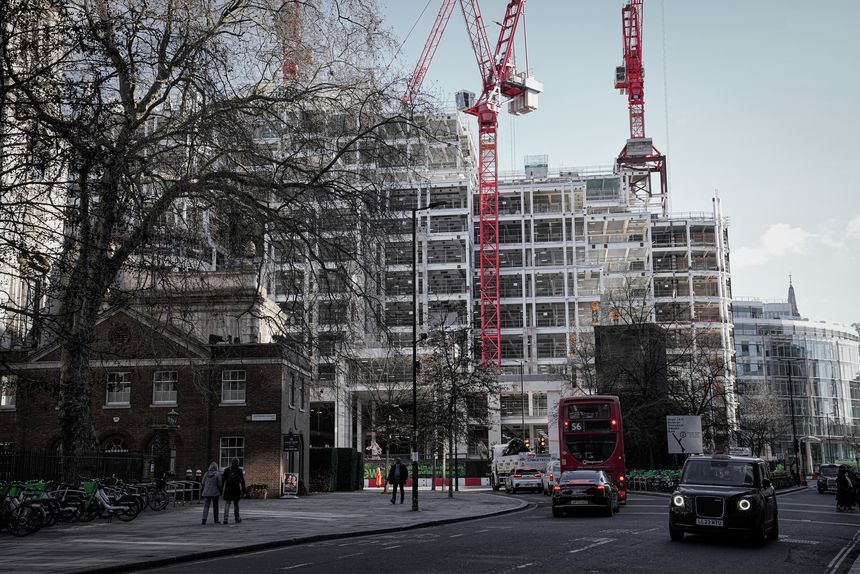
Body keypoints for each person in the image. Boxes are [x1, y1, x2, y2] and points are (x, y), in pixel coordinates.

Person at [222, 458, 247, 524]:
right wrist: (244, 491)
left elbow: (223, 481)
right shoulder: (239, 470)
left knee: (227, 503)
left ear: (231, 462)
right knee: (236, 504)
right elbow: (242, 482)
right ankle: (237, 518)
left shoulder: (226, 470)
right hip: (236, 489)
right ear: (237, 463)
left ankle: (225, 519)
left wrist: (220, 490)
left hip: (228, 489)